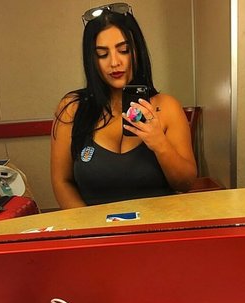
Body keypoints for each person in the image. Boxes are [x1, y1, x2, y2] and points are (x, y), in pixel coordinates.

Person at [51, 3, 197, 208]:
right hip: (94, 227)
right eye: (102, 54)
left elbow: (186, 183)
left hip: (157, 225)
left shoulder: (167, 107)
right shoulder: (72, 108)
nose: (114, 62)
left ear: (137, 51)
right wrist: (88, 224)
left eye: (123, 50)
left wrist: (160, 143)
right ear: (91, 59)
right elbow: (61, 181)